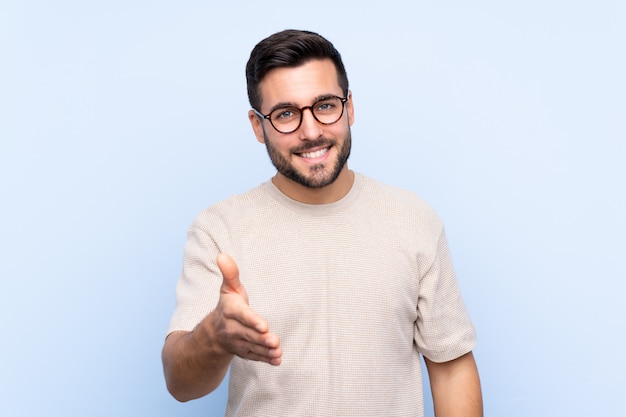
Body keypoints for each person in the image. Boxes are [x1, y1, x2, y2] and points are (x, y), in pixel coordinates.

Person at [162, 29, 482, 417]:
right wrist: (215, 335)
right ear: (257, 126)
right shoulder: (219, 229)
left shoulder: (414, 220)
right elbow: (180, 383)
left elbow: (451, 368)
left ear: (349, 108)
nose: (311, 131)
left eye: (325, 106)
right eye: (285, 114)